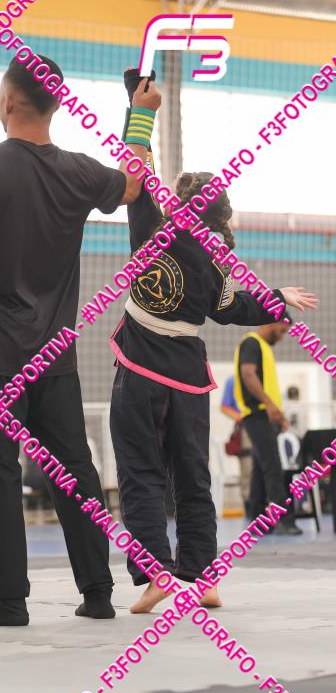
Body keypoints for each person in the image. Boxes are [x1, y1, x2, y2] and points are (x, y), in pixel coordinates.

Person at [0, 56, 161, 627]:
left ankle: (10, 601)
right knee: (74, 471)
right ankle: (98, 592)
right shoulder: (80, 172)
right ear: (55, 106)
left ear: (8, 101)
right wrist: (139, 114)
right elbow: (135, 183)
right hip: (54, 360)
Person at [109, 157, 318, 614]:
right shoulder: (217, 259)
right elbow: (228, 310)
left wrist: (138, 121)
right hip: (187, 379)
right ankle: (204, 578)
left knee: (140, 473)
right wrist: (277, 298)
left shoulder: (151, 228)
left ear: (178, 201)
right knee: (193, 476)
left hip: (140, 369)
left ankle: (157, 574)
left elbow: (135, 167)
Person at [234, 322, 304, 535]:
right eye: (282, 331)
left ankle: (258, 521)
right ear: (273, 322)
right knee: (273, 467)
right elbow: (248, 374)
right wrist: (269, 405)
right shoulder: (251, 343)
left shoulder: (263, 347)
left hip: (267, 415)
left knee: (260, 468)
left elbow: (268, 388)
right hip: (257, 414)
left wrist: (279, 417)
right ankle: (284, 520)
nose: (282, 337)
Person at [220, 375, 253, 515]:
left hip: (264, 425)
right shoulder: (233, 380)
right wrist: (242, 418)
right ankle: (249, 506)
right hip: (246, 427)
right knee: (247, 468)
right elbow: (224, 407)